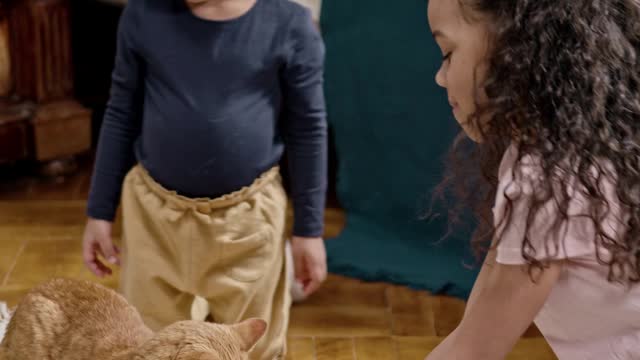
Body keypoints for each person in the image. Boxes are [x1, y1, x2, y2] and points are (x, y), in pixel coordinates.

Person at [81, 0, 329, 358]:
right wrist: (99, 211)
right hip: (154, 219)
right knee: (151, 343)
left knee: (256, 345)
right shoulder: (142, 14)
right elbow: (121, 112)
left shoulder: (289, 23)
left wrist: (309, 230)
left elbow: (308, 129)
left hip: (248, 223)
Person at [426, 0, 640, 359]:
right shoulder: (566, 150)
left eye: (448, 53)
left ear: (513, 48)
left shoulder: (545, 179)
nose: (440, 76)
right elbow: (479, 318)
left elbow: (474, 351)